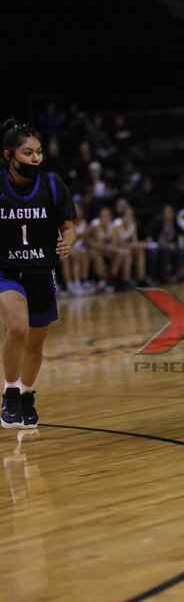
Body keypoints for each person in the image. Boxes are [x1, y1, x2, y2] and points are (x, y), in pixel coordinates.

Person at [0, 118, 77, 430]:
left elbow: (69, 226)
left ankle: (27, 394)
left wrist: (68, 242)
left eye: (39, 152)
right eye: (28, 152)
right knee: (17, 328)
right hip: (6, 270)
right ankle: (10, 392)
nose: (35, 158)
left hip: (41, 270)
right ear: (9, 155)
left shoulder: (53, 185)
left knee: (35, 342)